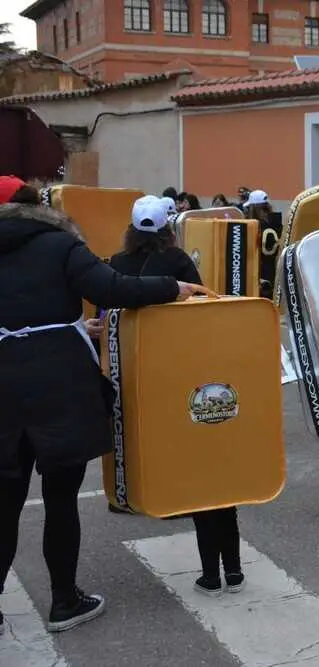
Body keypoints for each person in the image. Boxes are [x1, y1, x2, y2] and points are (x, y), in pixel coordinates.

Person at [0, 177, 209, 633]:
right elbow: (112, 288)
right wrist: (173, 287)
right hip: (59, 388)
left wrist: (64, 327)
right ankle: (63, 601)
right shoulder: (57, 243)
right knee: (60, 499)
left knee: (4, 501)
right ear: (35, 205)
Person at [111, 195, 246, 597]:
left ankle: (208, 570)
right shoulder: (180, 263)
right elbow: (202, 308)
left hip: (144, 373)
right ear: (168, 228)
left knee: (180, 461)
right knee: (216, 474)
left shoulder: (116, 265)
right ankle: (232, 570)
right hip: (191, 369)